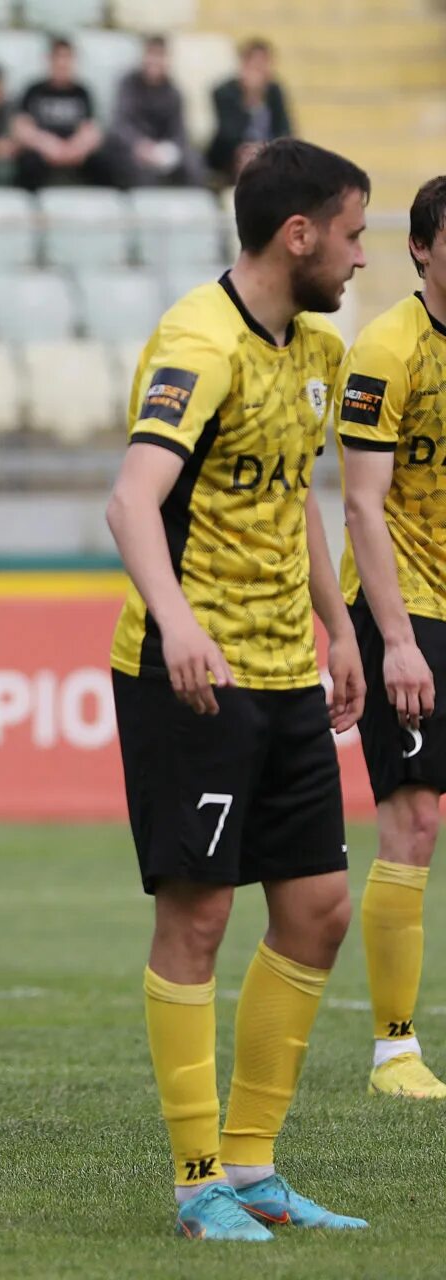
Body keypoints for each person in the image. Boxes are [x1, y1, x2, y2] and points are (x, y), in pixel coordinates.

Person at [105, 138, 370, 1240]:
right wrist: (177, 624)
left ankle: (256, 1164)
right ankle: (195, 1175)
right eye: (352, 235)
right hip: (193, 677)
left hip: (284, 669)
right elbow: (131, 501)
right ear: (297, 233)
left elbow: (294, 495)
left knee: (317, 909)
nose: (361, 258)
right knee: (200, 916)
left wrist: (340, 621)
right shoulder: (197, 341)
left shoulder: (313, 345)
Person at [336, 175, 446, 1101]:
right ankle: (394, 1050)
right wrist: (398, 640)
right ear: (421, 249)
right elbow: (362, 505)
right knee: (414, 817)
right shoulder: (384, 351)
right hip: (407, 607)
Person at [107, 36, 206, 189]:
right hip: (133, 149)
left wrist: (171, 150)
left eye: (159, 55)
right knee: (140, 169)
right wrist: (139, 145)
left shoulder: (174, 92)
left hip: (163, 149)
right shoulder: (127, 85)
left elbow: (180, 131)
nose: (154, 61)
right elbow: (120, 124)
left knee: (194, 162)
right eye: (151, 54)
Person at [12, 37, 110, 190]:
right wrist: (47, 145)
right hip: (42, 150)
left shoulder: (82, 92)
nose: (62, 63)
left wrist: (75, 149)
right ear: (49, 60)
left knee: (105, 164)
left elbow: (91, 130)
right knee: (27, 164)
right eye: (58, 57)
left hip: (75, 150)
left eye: (67, 57)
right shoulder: (34, 90)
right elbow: (21, 127)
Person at [209, 39, 294, 183]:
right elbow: (228, 134)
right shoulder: (224, 92)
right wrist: (250, 99)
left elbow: (285, 129)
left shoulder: (274, 91)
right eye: (255, 64)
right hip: (232, 154)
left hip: (269, 152)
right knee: (247, 157)